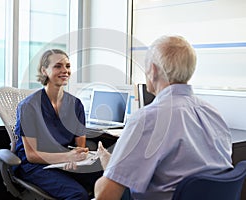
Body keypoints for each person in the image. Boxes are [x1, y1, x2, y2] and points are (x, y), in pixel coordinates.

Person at [94, 35, 233, 200]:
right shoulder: (212, 113)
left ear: (152, 71)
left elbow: (105, 195)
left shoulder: (148, 119)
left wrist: (111, 168)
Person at [13, 49, 101, 200]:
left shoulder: (76, 105)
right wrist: (66, 157)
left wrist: (78, 157)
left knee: (113, 179)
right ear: (44, 71)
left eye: (67, 66)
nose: (65, 71)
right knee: (77, 195)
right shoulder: (29, 106)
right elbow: (32, 155)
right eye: (58, 66)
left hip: (63, 163)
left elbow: (80, 145)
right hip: (35, 167)